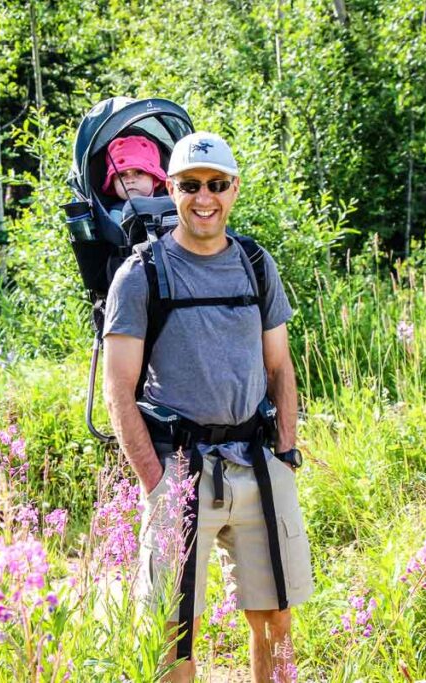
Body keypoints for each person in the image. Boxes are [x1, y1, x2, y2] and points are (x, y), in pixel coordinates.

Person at [102, 131, 314, 682]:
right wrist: (156, 482)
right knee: (174, 631)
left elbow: (279, 368)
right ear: (170, 189)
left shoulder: (255, 263)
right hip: (180, 467)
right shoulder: (141, 274)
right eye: (191, 185)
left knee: (276, 620)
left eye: (216, 185)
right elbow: (117, 389)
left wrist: (285, 454)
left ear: (234, 189)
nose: (204, 197)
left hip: (258, 466)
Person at [101, 134, 168, 224]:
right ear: (113, 183)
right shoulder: (118, 213)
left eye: (139, 172)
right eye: (122, 175)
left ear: (156, 180)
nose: (130, 180)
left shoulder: (169, 203)